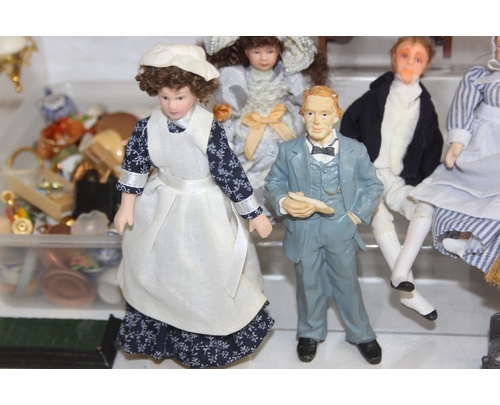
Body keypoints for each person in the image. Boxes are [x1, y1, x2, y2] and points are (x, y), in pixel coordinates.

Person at [114, 43, 274, 369]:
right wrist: (126, 205)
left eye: (180, 97)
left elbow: (230, 172)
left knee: (206, 270)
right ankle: (162, 328)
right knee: (157, 267)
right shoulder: (147, 127)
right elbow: (135, 166)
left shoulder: (209, 129)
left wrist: (253, 213)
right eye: (165, 97)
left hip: (204, 207)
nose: (172, 105)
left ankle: (208, 331)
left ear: (197, 93)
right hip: (159, 203)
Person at [264, 85, 383, 364]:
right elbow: (273, 182)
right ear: (302, 115)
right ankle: (310, 331)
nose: (317, 121)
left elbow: (373, 187)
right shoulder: (289, 150)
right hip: (303, 230)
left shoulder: (355, 150)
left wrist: (354, 217)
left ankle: (361, 333)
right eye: (310, 113)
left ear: (336, 116)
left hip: (340, 228)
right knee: (308, 282)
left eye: (324, 114)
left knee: (347, 282)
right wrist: (283, 201)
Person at [340, 36, 443, 320]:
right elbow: (348, 127)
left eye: (418, 59)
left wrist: (426, 180)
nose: (410, 63)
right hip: (369, 174)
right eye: (404, 55)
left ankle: (400, 273)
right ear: (393, 56)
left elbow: (432, 147)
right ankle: (408, 293)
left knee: (425, 207)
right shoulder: (374, 97)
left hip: (400, 178)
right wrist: (351, 167)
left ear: (426, 65)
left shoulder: (426, 107)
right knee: (381, 219)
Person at [203, 36, 328, 220]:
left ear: (279, 51)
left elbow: (301, 101)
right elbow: (230, 107)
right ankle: (254, 211)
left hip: (280, 130)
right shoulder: (237, 75)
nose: (264, 58)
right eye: (256, 52)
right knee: (247, 169)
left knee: (283, 167)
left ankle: (280, 211)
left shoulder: (287, 74)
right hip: (248, 129)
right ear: (246, 51)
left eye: (270, 51)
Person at [410, 36, 500, 284]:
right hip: (483, 145)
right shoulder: (480, 77)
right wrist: (458, 140)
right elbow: (464, 104)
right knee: (464, 191)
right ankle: (462, 237)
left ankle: (477, 244)